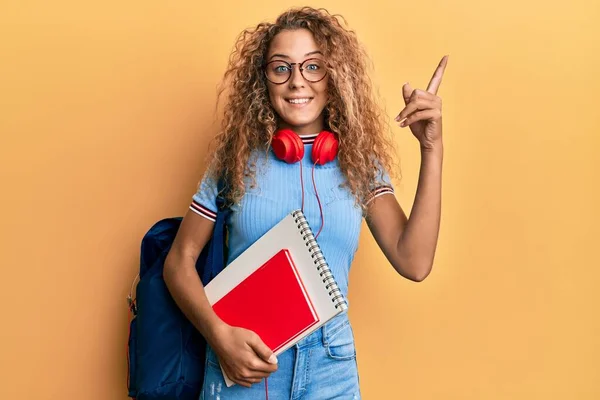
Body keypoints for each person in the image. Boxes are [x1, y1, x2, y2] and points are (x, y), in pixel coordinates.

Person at [163, 6, 447, 399]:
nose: (298, 82)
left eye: (313, 67)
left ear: (334, 77)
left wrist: (431, 147)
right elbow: (178, 263)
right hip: (244, 364)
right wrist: (219, 335)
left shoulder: (360, 164)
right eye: (282, 68)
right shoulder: (235, 159)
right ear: (263, 79)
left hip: (332, 368)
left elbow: (414, 262)